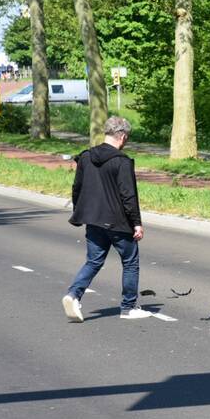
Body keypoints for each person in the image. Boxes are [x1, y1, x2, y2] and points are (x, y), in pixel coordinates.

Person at [61, 116, 150, 321]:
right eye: (127, 138)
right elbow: (128, 195)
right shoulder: (122, 161)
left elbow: (77, 188)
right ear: (123, 136)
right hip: (118, 222)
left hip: (93, 219)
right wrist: (136, 223)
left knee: (93, 261)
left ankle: (73, 295)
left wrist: (79, 211)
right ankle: (128, 307)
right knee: (130, 262)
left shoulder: (86, 157)